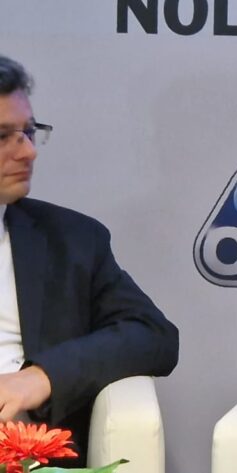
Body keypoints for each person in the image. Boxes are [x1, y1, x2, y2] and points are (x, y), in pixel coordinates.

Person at [0, 55, 178, 465]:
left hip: (31, 456)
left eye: (29, 132)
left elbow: (154, 335)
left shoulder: (71, 240)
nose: (28, 152)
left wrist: (42, 376)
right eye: (3, 136)